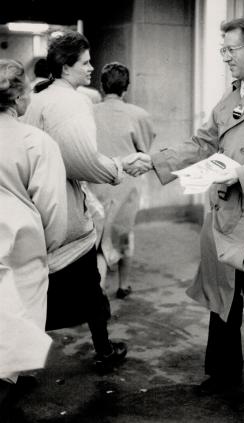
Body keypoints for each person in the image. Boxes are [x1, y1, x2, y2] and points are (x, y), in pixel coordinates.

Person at [134, 17, 244, 411]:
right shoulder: (234, 93)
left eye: (230, 50)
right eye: (222, 50)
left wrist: (242, 174)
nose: (224, 57)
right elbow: (202, 142)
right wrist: (152, 161)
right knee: (223, 297)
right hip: (227, 213)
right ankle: (223, 372)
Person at [22, 31, 149, 372]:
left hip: (33, 204)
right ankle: (103, 349)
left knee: (31, 292)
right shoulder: (70, 101)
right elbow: (82, 161)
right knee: (87, 285)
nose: (92, 68)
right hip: (61, 209)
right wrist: (119, 167)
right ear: (66, 68)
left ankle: (19, 365)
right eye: (85, 62)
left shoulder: (36, 95)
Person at [0, 59, 67, 421]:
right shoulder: (36, 142)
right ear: (19, 97)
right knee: (11, 336)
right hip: (20, 248)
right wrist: (50, 247)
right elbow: (52, 207)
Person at [88, 62, 155, 299]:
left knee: (98, 241)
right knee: (124, 234)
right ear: (126, 87)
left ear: (101, 86)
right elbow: (145, 150)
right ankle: (122, 285)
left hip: (95, 182)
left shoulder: (89, 112)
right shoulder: (139, 115)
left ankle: (99, 292)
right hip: (127, 185)